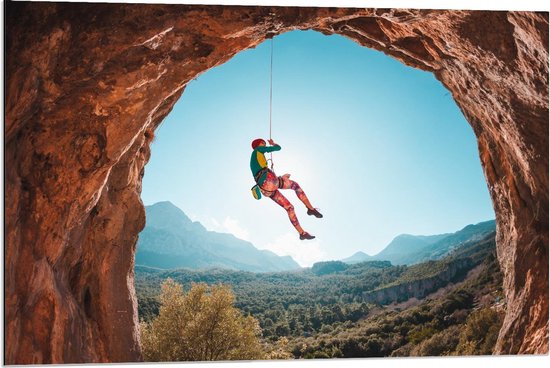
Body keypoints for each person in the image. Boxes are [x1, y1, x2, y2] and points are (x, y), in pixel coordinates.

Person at [250, 138, 322, 240]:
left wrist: (281, 178)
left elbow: (271, 181)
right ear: (259, 145)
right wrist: (273, 144)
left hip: (266, 190)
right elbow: (278, 148)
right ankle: (310, 209)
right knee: (295, 185)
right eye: (263, 143)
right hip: (269, 181)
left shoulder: (257, 162)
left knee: (289, 208)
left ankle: (302, 233)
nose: (264, 145)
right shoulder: (257, 150)